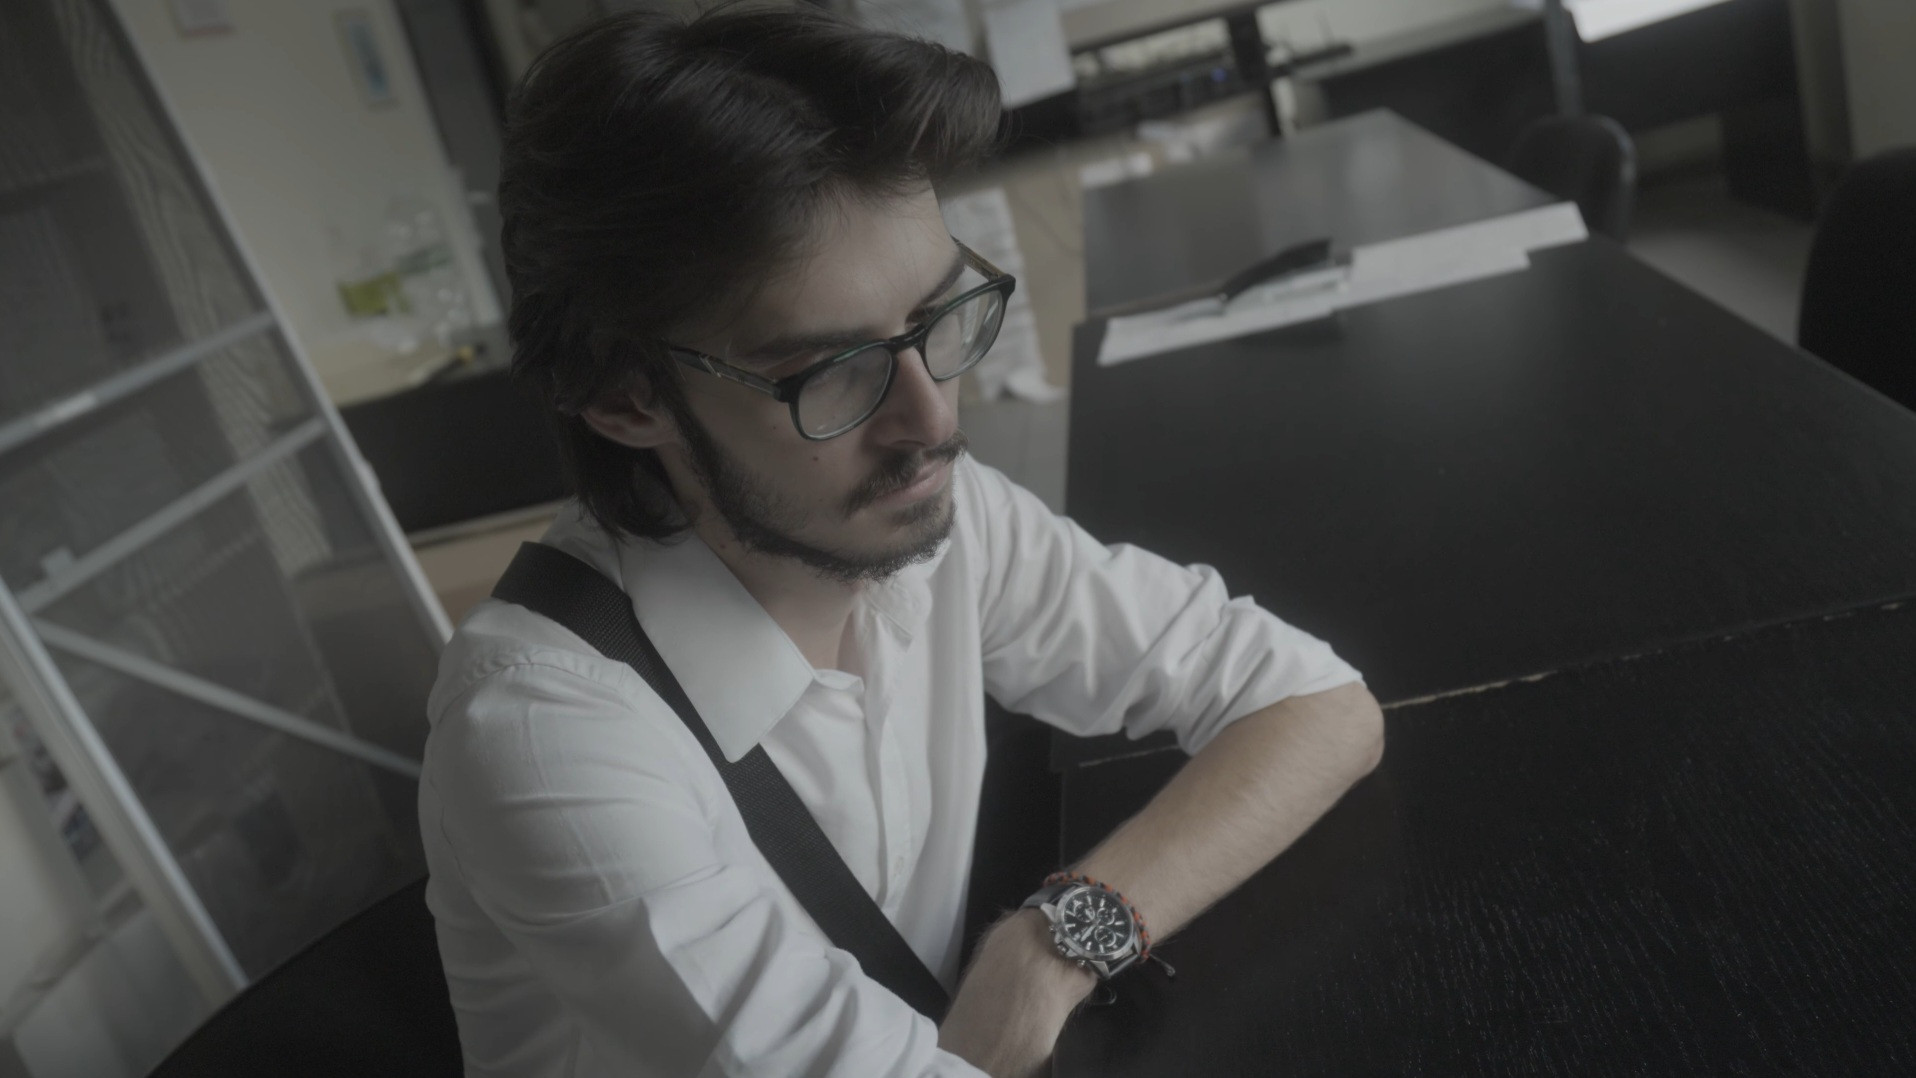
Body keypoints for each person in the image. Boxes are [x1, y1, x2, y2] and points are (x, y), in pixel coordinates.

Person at [418, 5, 1384, 1076]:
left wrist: (1056, 941)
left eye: (937, 320)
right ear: (624, 398)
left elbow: (1314, 702)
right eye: (829, 371)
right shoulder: (547, 738)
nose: (929, 421)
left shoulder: (933, 523)